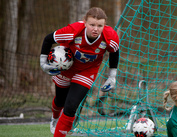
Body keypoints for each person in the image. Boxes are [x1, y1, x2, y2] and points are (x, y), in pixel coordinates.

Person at [39, 7, 119, 137]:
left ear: (105, 25)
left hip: (87, 71)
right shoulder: (73, 31)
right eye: (92, 24)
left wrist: (112, 77)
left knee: (71, 106)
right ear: (85, 22)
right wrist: (43, 63)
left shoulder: (110, 36)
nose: (95, 29)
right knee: (60, 100)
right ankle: (54, 119)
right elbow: (48, 39)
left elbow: (114, 52)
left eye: (100, 25)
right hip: (65, 68)